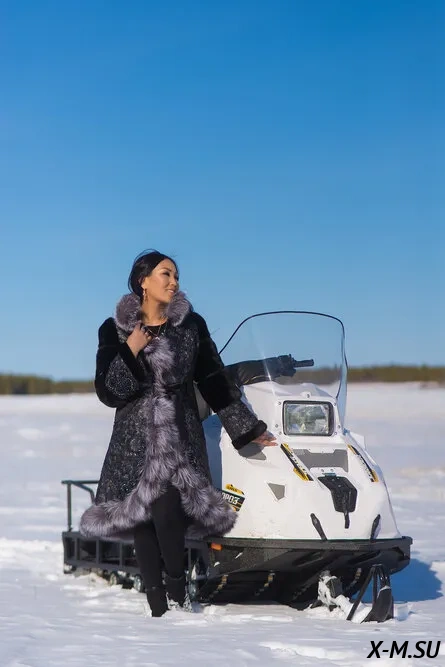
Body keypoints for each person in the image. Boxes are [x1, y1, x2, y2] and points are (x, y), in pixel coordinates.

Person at [80, 250, 276, 617]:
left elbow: (214, 380)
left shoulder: (191, 325)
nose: (174, 282)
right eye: (165, 274)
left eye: (176, 276)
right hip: (133, 441)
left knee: (169, 509)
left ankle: (177, 590)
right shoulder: (114, 330)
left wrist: (246, 428)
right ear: (143, 281)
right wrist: (131, 348)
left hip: (180, 436)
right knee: (141, 519)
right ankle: (157, 605)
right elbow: (109, 393)